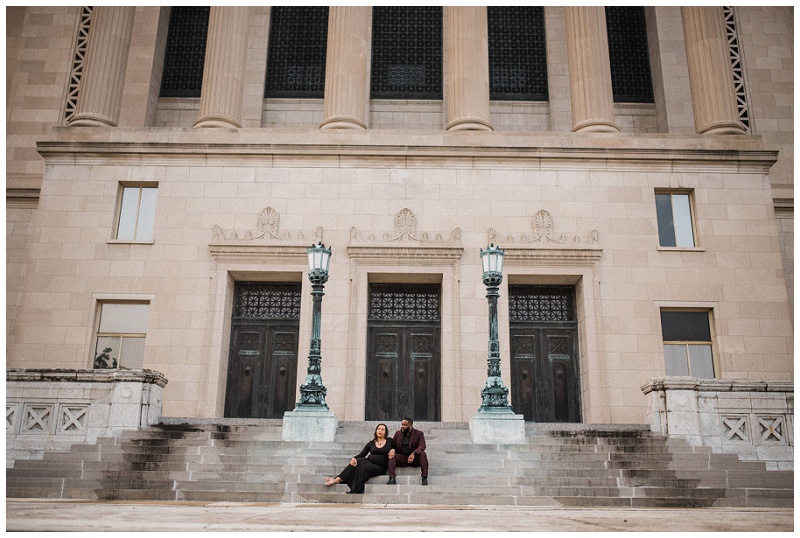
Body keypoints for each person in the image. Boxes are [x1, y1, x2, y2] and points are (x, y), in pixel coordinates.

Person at [324, 423, 394, 494]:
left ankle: (339, 480)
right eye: (378, 429)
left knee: (361, 466)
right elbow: (362, 454)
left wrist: (393, 450)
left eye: (382, 429)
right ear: (376, 431)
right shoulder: (371, 443)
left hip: (380, 467)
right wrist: (354, 458)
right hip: (369, 462)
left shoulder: (390, 441)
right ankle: (338, 479)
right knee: (357, 461)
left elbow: (398, 449)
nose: (380, 431)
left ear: (385, 432)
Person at [387, 417, 429, 485]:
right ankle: (392, 478)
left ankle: (424, 478)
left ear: (410, 426)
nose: (402, 427)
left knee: (423, 454)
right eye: (402, 424)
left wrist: (413, 453)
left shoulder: (419, 434)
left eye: (404, 425)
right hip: (402, 457)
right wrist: (392, 449)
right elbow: (392, 444)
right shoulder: (398, 433)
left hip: (414, 458)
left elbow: (422, 446)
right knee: (391, 456)